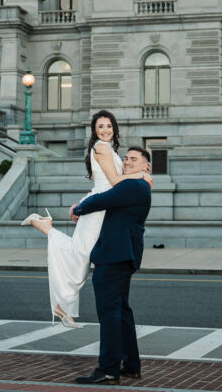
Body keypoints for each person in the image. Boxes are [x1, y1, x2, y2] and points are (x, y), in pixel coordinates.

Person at [20, 110, 150, 327]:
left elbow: (110, 183)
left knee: (81, 256)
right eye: (100, 127)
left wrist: (82, 204)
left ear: (114, 128)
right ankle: (47, 229)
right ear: (94, 131)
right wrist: (143, 175)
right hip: (99, 209)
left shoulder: (109, 149)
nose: (105, 130)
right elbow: (116, 180)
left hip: (101, 205)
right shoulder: (100, 147)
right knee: (80, 258)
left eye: (109, 126)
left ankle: (62, 306)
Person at [71, 146, 152, 385]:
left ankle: (108, 369)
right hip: (124, 255)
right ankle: (131, 366)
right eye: (125, 158)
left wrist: (78, 208)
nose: (127, 162)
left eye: (134, 160)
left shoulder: (131, 186)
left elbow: (101, 200)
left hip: (114, 255)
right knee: (122, 311)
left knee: (109, 313)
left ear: (146, 166)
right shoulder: (141, 186)